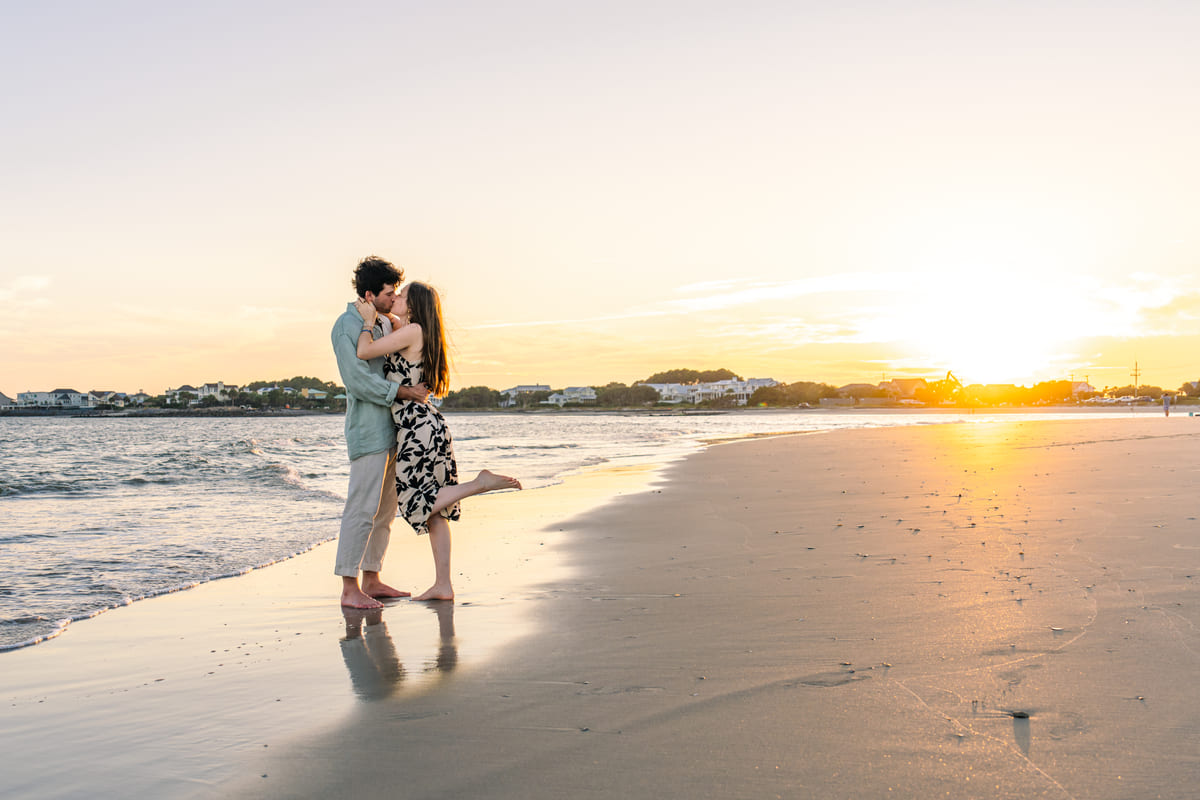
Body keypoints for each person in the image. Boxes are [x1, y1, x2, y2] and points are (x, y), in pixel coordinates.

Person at [354, 281, 521, 601]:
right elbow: (393, 323)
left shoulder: (412, 331)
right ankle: (443, 584)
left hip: (417, 429)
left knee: (414, 502)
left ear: (414, 304)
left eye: (401, 296)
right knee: (435, 510)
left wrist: (365, 321)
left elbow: (364, 351)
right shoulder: (420, 332)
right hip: (430, 427)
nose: (396, 299)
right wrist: (384, 317)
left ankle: (479, 484)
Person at [331, 256, 431, 609]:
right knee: (361, 507)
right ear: (370, 294)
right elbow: (358, 381)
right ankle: (349, 587)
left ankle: (372, 579)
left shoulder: (386, 323)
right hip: (368, 429)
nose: (394, 299)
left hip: (394, 430)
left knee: (385, 511)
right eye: (389, 293)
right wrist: (403, 392)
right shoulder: (347, 326)